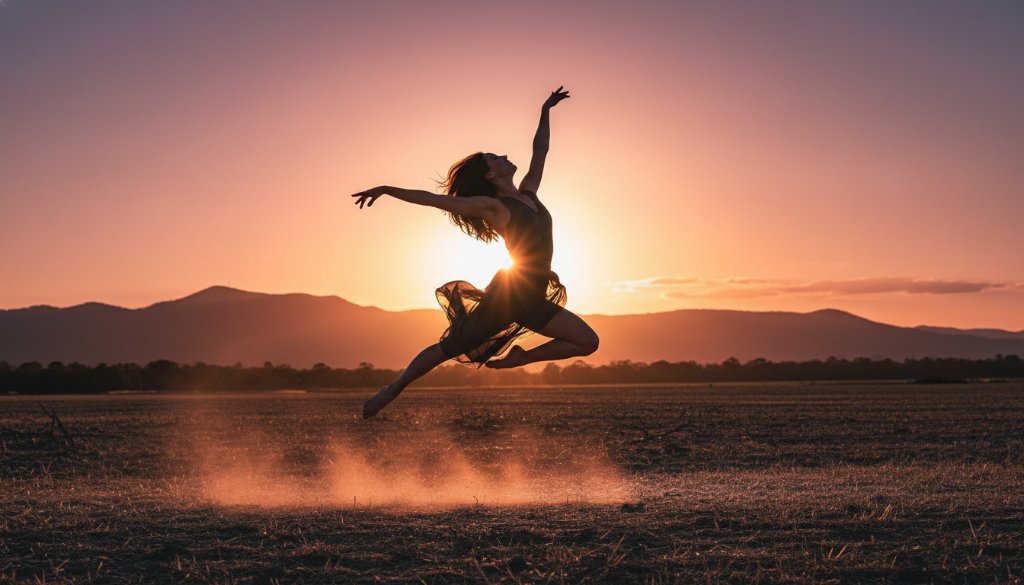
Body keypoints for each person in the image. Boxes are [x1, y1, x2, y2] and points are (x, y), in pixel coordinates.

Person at [352, 86, 599, 418]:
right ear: (489, 174)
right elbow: (434, 199)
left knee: (587, 342)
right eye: (494, 158)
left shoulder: (529, 192)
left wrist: (545, 109)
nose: (502, 156)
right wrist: (386, 189)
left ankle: (521, 358)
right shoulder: (494, 207)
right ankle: (393, 389)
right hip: (509, 297)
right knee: (448, 348)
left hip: (533, 293)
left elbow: (540, 150)